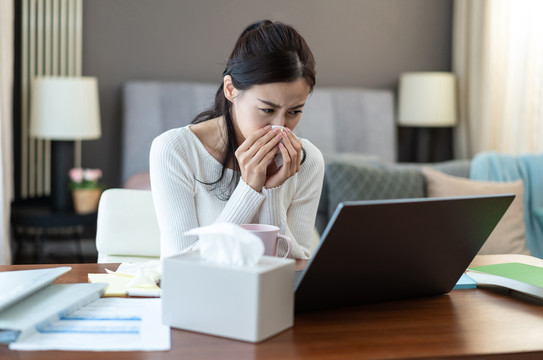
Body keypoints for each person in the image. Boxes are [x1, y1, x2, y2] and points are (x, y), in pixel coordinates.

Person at [150, 20, 325, 259]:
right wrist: (250, 189)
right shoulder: (175, 150)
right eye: (267, 110)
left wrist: (273, 190)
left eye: (294, 112)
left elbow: (295, 263)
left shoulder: (307, 160)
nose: (280, 127)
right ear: (231, 89)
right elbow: (182, 262)